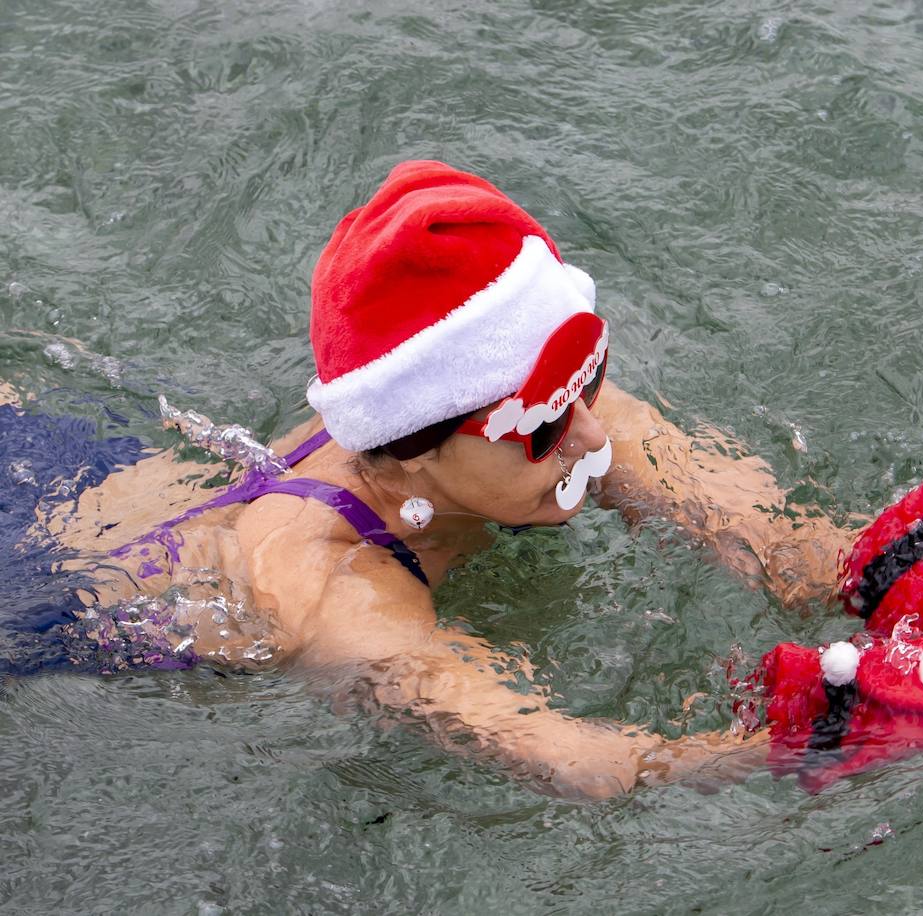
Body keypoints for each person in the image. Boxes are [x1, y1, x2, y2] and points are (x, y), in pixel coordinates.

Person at [30, 161, 854, 798]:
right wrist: (840, 732)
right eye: (545, 421)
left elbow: (788, 548)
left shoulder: (520, 404)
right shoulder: (335, 588)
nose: (594, 433)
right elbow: (583, 763)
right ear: (417, 447)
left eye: (590, 382)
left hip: (101, 470)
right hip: (43, 592)